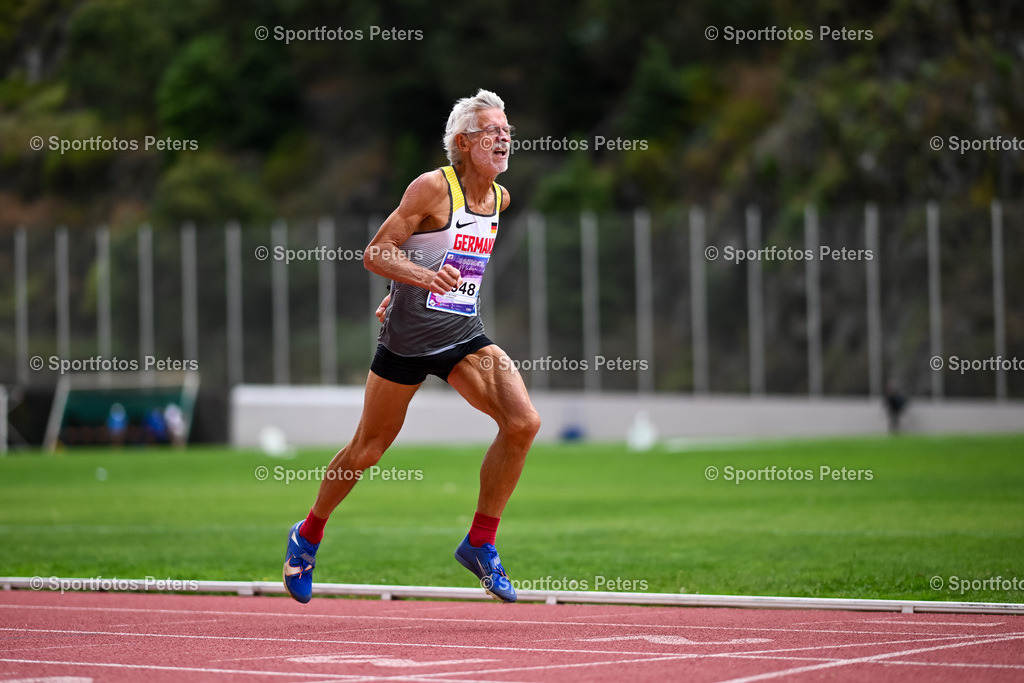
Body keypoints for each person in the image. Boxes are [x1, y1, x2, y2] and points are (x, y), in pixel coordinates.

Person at [283, 89, 540, 604]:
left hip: (463, 335)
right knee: (368, 450)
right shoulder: (431, 188)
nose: (504, 138)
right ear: (464, 143)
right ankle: (307, 534)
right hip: (405, 344)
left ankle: (480, 542)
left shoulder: (500, 199)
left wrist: (408, 285)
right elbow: (377, 252)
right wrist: (414, 282)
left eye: (508, 130)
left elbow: (451, 261)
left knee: (523, 423)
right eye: (493, 130)